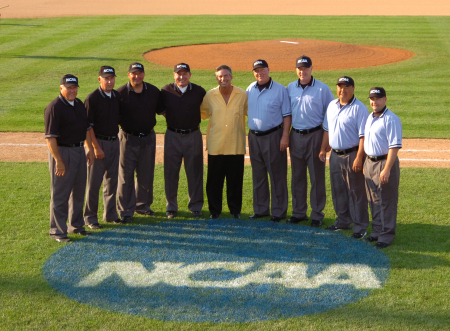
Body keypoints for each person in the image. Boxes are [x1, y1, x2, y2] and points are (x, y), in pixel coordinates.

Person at [44, 74, 94, 242]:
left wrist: (89, 148)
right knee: (60, 194)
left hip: (79, 150)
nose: (72, 91)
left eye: (74, 88)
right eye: (69, 88)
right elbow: (51, 138)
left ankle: (76, 225)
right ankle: (57, 231)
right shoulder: (54, 107)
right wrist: (58, 160)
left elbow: (86, 129)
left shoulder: (79, 104)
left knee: (79, 191)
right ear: (61, 88)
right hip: (63, 153)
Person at [286, 56, 334, 227]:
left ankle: (317, 214)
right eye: (299, 68)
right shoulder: (290, 88)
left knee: (316, 177)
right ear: (296, 70)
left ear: (312, 69)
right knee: (297, 176)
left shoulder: (322, 89)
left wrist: (326, 141)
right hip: (295, 136)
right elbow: (287, 114)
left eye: (305, 68)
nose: (302, 71)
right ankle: (299, 212)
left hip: (315, 135)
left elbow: (331, 115)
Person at [319, 76, 369, 238]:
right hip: (335, 155)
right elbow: (327, 129)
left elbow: (363, 137)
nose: (343, 90)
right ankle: (343, 220)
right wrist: (322, 149)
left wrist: (359, 157)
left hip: (352, 154)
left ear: (353, 89)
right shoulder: (332, 105)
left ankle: (360, 225)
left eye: (346, 87)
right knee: (338, 189)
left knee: (356, 192)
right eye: (340, 87)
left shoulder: (359, 108)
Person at [158, 63, 206, 219]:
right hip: (173, 134)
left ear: (190, 75)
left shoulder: (199, 91)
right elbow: (161, 110)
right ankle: (171, 207)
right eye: (178, 74)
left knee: (195, 171)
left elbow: (206, 109)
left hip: (193, 134)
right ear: (174, 75)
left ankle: (196, 206)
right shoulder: (165, 91)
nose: (181, 77)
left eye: (185, 74)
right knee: (171, 172)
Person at [200, 65, 248, 219]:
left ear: (231, 77)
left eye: (226, 76)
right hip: (216, 145)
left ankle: (235, 210)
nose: (223, 79)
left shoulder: (242, 95)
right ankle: (215, 211)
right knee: (214, 181)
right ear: (216, 78)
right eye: (220, 76)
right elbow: (204, 114)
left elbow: (248, 112)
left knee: (235, 181)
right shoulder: (210, 96)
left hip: (236, 145)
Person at [246, 59, 291, 222]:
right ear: (253, 73)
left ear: (268, 70)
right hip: (254, 137)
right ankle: (261, 209)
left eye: (262, 70)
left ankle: (279, 212)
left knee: (277, 174)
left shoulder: (280, 89)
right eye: (256, 71)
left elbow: (287, 114)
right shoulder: (250, 88)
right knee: (258, 174)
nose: (260, 73)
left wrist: (285, 136)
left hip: (273, 136)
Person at [116, 62, 160, 223]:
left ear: (144, 74)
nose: (137, 76)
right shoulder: (120, 93)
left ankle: (142, 205)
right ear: (129, 75)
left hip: (148, 137)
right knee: (125, 176)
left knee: (146, 174)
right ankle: (126, 209)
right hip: (128, 138)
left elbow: (163, 110)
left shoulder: (153, 91)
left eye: (139, 73)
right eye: (133, 73)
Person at [363, 87, 402, 249]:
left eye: (378, 98)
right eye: (372, 98)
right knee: (373, 200)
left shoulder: (391, 119)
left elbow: (394, 147)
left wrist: (386, 169)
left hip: (384, 163)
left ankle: (386, 235)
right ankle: (377, 231)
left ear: (385, 99)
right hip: (370, 162)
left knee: (386, 200)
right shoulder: (370, 117)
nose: (374, 101)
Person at [83, 66, 122, 229]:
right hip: (99, 143)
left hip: (115, 142)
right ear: (99, 79)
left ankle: (110, 214)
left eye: (112, 77)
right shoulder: (92, 98)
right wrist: (95, 148)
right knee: (94, 183)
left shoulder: (116, 96)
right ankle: (90, 217)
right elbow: (87, 126)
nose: (110, 81)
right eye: (106, 78)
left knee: (112, 181)